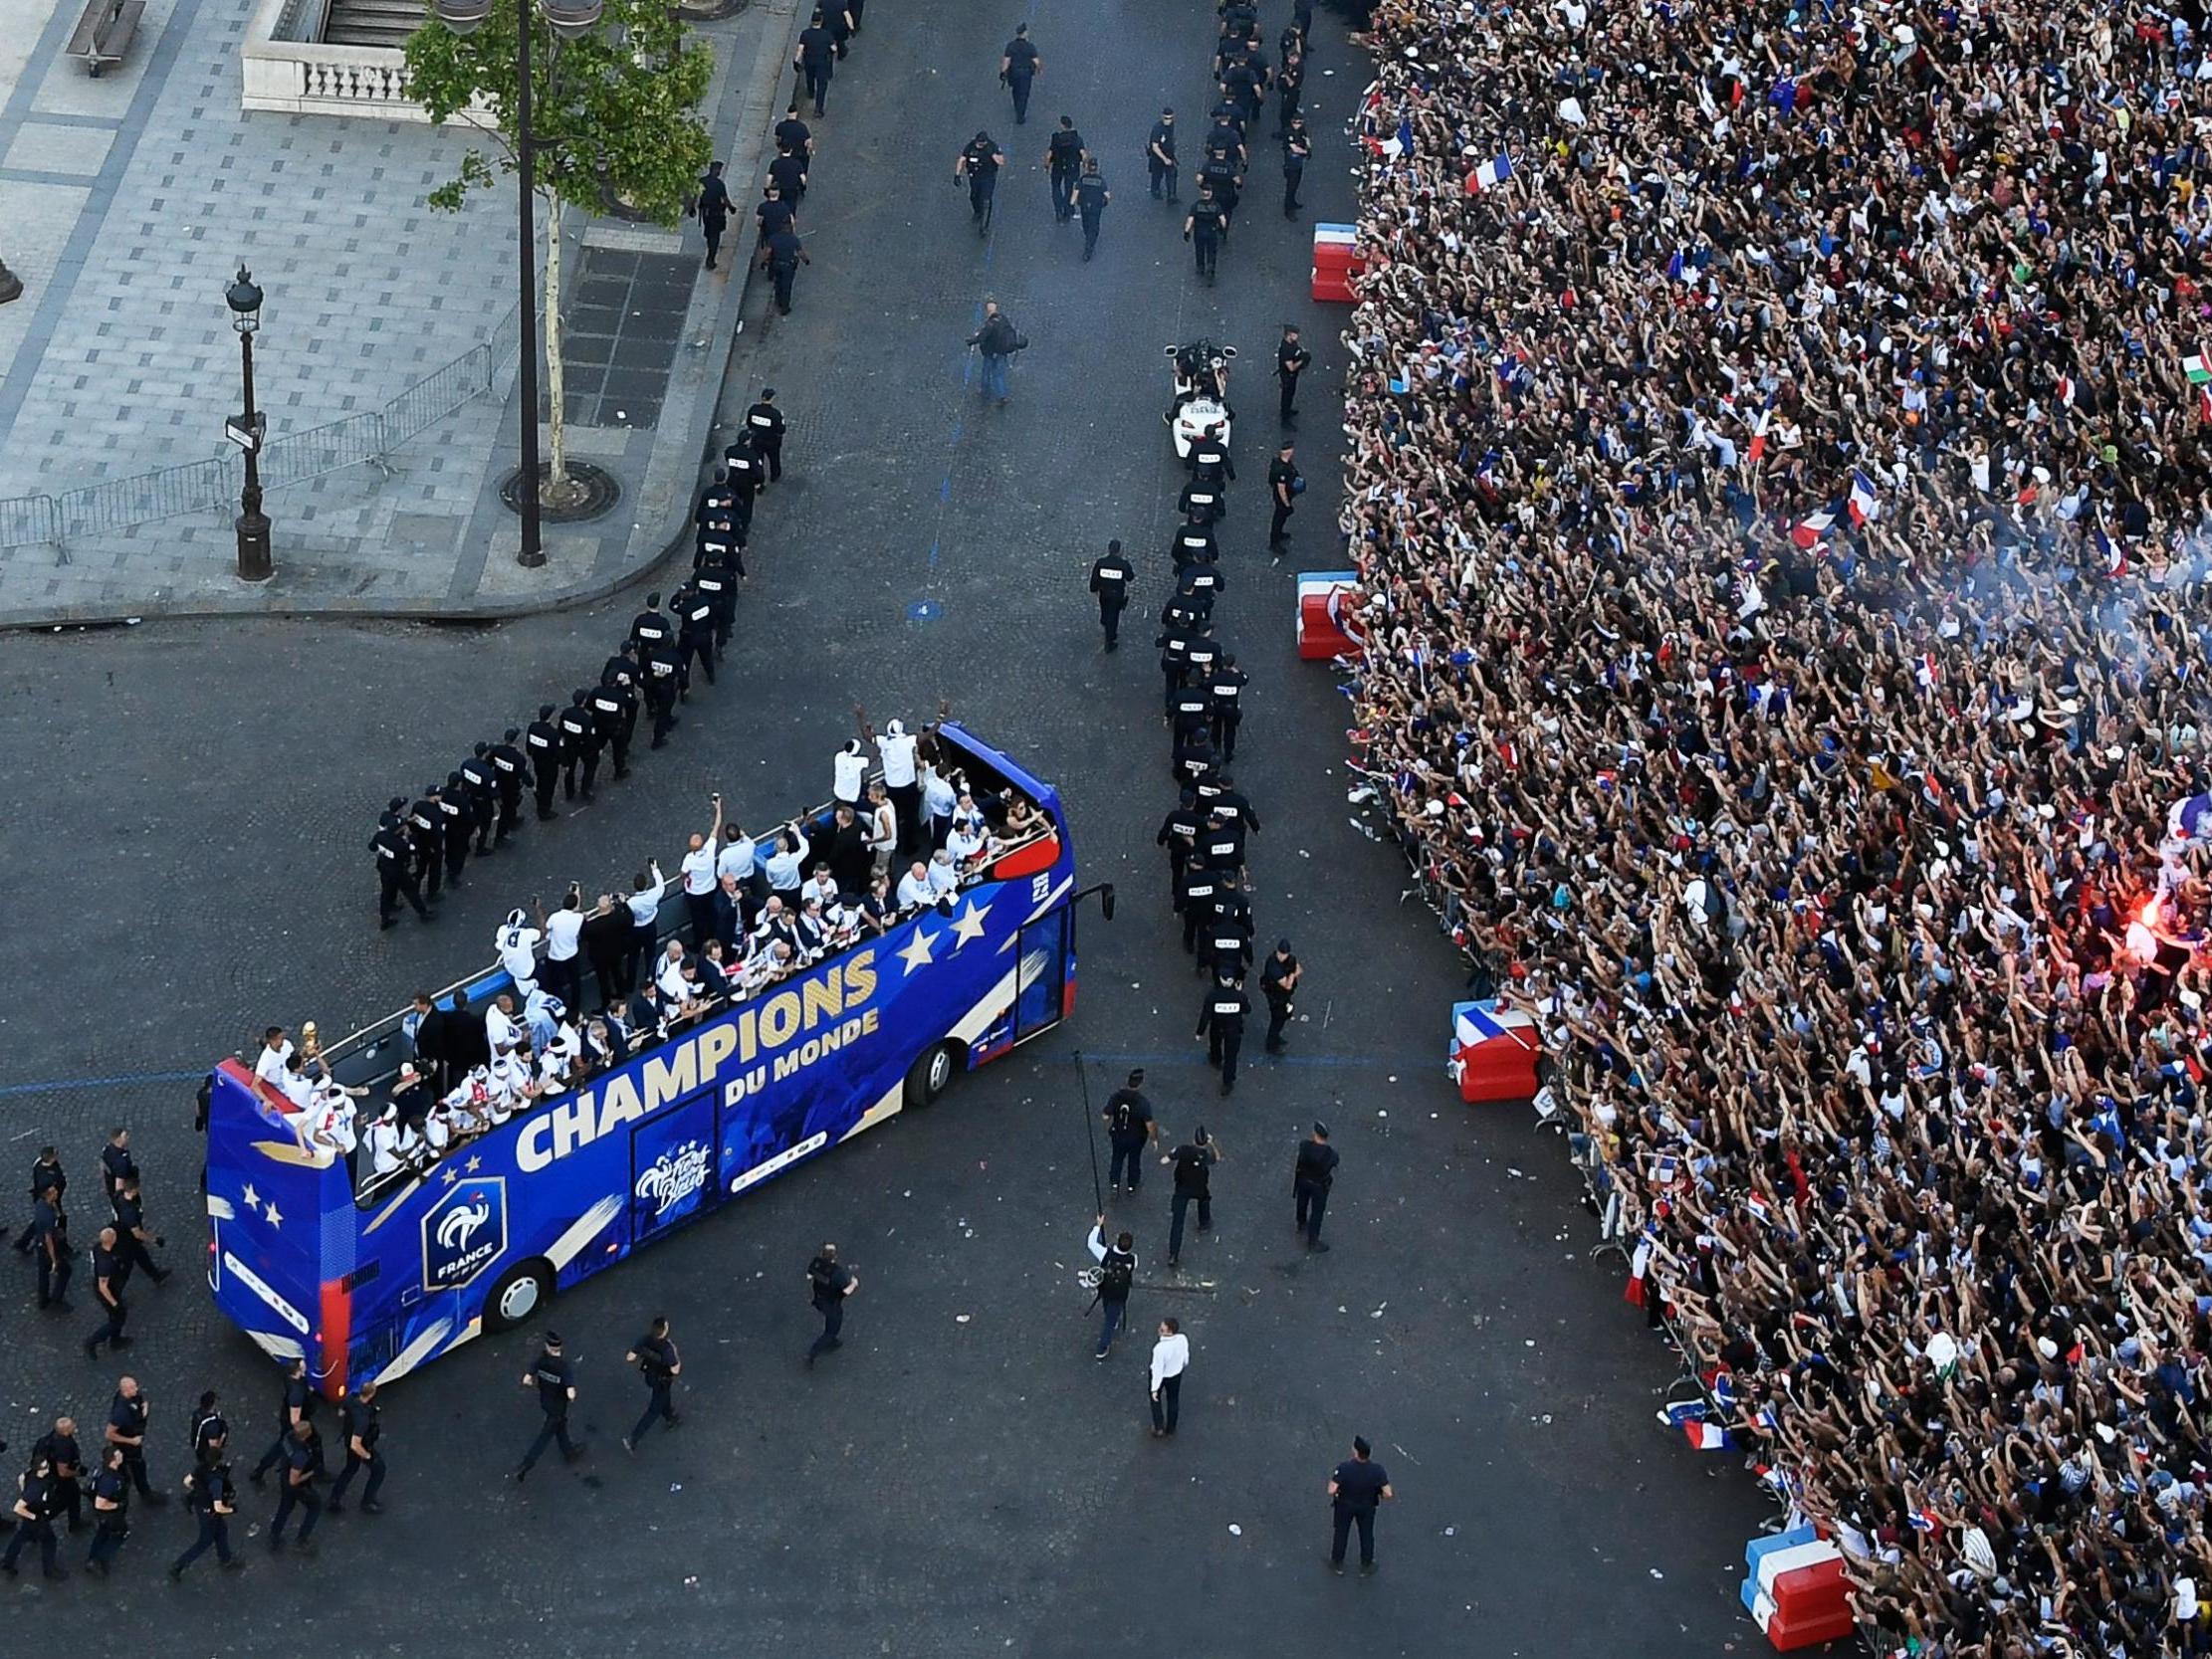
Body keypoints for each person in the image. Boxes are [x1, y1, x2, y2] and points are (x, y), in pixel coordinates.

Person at [514, 1332, 582, 1481]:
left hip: (545, 1401)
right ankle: (526, 1464)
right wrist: (571, 1396)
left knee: (560, 1426)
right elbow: (571, 1393)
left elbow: (526, 1380)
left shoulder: (541, 1361)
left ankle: (569, 1452)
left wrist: (538, 1384)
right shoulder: (563, 1367)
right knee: (544, 1437)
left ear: (547, 1346)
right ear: (560, 1347)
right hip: (558, 1406)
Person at [1327, 1437, 1393, 1572]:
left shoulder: (1344, 1468)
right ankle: (1366, 1563)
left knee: (1341, 1533)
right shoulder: (1377, 1470)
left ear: (1355, 1452)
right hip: (1367, 1507)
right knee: (1367, 1534)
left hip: (1345, 1506)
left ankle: (1337, 1563)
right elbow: (1388, 1493)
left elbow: (1331, 1490)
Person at [169, 1458, 242, 1578]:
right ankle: (179, 1565)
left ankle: (226, 1558)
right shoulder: (216, 1482)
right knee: (204, 1541)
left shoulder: (201, 1468)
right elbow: (218, 1507)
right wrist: (232, 1509)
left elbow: (187, 1481)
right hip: (210, 1513)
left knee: (221, 1531)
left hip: (202, 1506)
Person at [250, 1358, 316, 1486]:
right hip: (297, 1424)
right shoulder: (296, 1393)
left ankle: (261, 1469)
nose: (305, 1363)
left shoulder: (291, 1378)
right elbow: (294, 1419)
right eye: (302, 1364)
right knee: (281, 1447)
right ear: (298, 1370)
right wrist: (303, 1433)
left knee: (283, 1446)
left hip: (296, 1418)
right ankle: (261, 1469)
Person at [2, 1450, 65, 1580]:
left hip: (32, 1513)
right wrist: (35, 1517)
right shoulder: (36, 1488)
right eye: (45, 1467)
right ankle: (49, 1570)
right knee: (49, 1541)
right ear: (39, 1470)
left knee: (21, 1535)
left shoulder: (30, 1475)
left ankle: (8, 1561)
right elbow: (18, 1508)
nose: (48, 1468)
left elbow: (21, 1478)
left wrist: (23, 1490)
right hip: (37, 1517)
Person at [622, 1317, 683, 1452]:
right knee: (654, 1410)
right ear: (664, 1332)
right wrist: (676, 1356)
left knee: (664, 1397)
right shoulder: (667, 1348)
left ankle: (670, 1417)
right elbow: (675, 1370)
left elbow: (630, 1357)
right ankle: (633, 1439)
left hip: (650, 1376)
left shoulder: (645, 1339)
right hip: (663, 1380)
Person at [325, 1381, 384, 1515]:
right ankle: (367, 1502)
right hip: (362, 1445)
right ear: (372, 1394)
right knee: (379, 1469)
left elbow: (341, 1412)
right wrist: (368, 1456)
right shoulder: (363, 1419)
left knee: (350, 1468)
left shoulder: (351, 1399)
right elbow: (355, 1444)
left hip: (347, 1438)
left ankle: (334, 1498)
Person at [266, 1417, 324, 1555]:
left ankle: (275, 1533)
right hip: (297, 1486)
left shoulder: (289, 1438)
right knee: (315, 1507)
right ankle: (302, 1539)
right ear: (306, 1434)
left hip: (284, 1477)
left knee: (285, 1506)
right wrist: (312, 1473)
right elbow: (294, 1480)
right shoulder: (300, 1456)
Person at [1164, 1127, 1218, 1267]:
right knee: (1204, 1199)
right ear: (1205, 1142)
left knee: (1177, 1223)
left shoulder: (1183, 1150)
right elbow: (1217, 1157)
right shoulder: (1205, 1155)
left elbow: (1165, 1159)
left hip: (1182, 1188)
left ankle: (1173, 1254)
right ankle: (1204, 1223)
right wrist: (1212, 1144)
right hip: (1199, 1186)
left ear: (1193, 1140)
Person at [105, 1376, 161, 1506]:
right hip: (128, 1446)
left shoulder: (130, 1397)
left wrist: (143, 1412)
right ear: (126, 1390)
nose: (137, 1389)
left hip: (133, 1437)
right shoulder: (120, 1413)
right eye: (134, 1387)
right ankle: (143, 1494)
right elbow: (109, 1434)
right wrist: (131, 1441)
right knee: (137, 1467)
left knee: (129, 1468)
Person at [370, 811, 432, 928]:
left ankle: (385, 919)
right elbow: (412, 852)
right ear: (399, 831)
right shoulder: (400, 844)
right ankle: (423, 913)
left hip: (384, 868)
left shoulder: (380, 836)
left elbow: (372, 847)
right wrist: (409, 838)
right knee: (411, 891)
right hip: (398, 872)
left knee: (386, 893)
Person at [1085, 1216, 1135, 1359]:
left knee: (1108, 1306)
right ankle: (1103, 1345)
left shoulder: (1105, 1254)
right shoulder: (1132, 1259)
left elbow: (1091, 1243)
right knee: (1111, 1319)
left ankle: (1103, 1346)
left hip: (1105, 1288)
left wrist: (1098, 1226)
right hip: (1120, 1293)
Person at [1101, 1069, 1154, 1192]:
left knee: (1117, 1158)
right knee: (1134, 1160)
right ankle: (1131, 1185)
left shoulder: (1116, 1097)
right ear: (1140, 1084)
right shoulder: (1143, 1102)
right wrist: (1153, 1138)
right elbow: (1149, 1124)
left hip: (1119, 1135)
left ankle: (1114, 1183)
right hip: (1136, 1138)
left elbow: (1105, 1115)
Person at [1196, 973, 1246, 1096]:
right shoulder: (1239, 996)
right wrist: (1239, 993)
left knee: (1215, 1043)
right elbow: (1247, 1009)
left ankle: (1216, 1059)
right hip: (1233, 1029)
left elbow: (1205, 1015)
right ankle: (1227, 1082)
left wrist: (1200, 1032)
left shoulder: (1213, 995)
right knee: (1231, 1056)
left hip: (1217, 1026)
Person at [805, 1243, 856, 1364]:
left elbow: (809, 1276)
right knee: (832, 1329)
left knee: (829, 1321)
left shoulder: (816, 1263)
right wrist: (854, 1283)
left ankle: (831, 1340)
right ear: (835, 1257)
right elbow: (846, 1291)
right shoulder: (837, 1273)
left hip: (819, 1299)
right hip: (832, 1304)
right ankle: (813, 1352)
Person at [84, 1445, 129, 1577]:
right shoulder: (110, 1480)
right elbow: (100, 1503)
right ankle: (102, 1558)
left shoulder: (103, 1470)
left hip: (104, 1516)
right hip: (111, 1515)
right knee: (121, 1534)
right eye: (119, 1454)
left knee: (102, 1533)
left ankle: (91, 1558)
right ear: (113, 1459)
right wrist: (117, 1505)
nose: (121, 1455)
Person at [85, 1223, 128, 1357]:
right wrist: (114, 1303)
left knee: (115, 1317)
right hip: (107, 1293)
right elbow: (103, 1287)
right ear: (112, 1240)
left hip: (113, 1287)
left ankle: (116, 1339)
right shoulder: (106, 1263)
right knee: (119, 1317)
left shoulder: (99, 1248)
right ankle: (93, 1341)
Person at [966, 300, 1020, 405]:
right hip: (1002, 351)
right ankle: (1002, 395)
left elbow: (982, 337)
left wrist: (971, 341)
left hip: (990, 352)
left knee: (986, 371)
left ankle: (984, 391)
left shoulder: (990, 324)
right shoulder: (1003, 319)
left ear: (987, 311)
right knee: (999, 374)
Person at [1293, 1123, 1336, 1249]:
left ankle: (1301, 1222)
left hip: (1303, 1180)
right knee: (1317, 1212)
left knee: (1302, 1201)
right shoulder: (1330, 1154)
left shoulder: (1304, 1146)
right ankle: (1313, 1241)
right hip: (1319, 1185)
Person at [955, 131, 1005, 234]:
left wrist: (992, 154)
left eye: (981, 144)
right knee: (974, 196)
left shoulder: (992, 147)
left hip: (988, 177)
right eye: (978, 143)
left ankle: (984, 227)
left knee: (986, 200)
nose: (979, 146)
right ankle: (977, 211)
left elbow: (1001, 162)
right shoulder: (970, 146)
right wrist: (957, 174)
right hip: (974, 176)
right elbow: (962, 159)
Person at [1148, 1318, 1189, 1437]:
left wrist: (1154, 1388)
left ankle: (1158, 1426)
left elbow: (1158, 1369)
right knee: (1173, 1400)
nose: (1159, 1330)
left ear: (1169, 1331)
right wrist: (1182, 1364)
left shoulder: (1160, 1349)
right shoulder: (1182, 1339)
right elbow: (1185, 1356)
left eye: (1161, 1329)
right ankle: (1171, 1427)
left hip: (1163, 1376)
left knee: (1155, 1400)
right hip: (1176, 1374)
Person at [1088, 538, 1132, 648]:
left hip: (1104, 593)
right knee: (1113, 617)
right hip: (1117, 595)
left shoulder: (1101, 563)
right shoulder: (1123, 564)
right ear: (1120, 551)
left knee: (1105, 608)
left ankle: (1104, 621)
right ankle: (1110, 640)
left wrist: (1094, 589)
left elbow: (1094, 578)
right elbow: (1130, 577)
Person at [759, 225, 808, 315]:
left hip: (777, 264)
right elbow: (800, 253)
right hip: (788, 266)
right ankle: (785, 307)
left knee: (778, 282)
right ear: (790, 229)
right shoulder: (793, 239)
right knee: (786, 286)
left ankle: (778, 301)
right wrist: (806, 261)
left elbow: (768, 252)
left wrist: (764, 261)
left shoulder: (773, 238)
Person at [1260, 939, 1300, 1051]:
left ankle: (1275, 1037)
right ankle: (1271, 1045)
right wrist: (1292, 974)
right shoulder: (1273, 966)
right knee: (1277, 1020)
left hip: (1283, 995)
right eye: (1281, 954)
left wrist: (1291, 976)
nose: (1283, 957)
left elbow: (1299, 968)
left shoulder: (1290, 959)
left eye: (1285, 954)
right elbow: (1287, 985)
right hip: (1275, 996)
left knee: (1281, 1019)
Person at [792, 9, 832, 115]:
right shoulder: (826, 34)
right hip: (821, 63)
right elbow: (833, 48)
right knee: (821, 85)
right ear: (821, 21)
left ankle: (810, 92)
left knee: (809, 77)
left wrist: (796, 61)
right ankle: (818, 108)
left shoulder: (805, 34)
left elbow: (800, 49)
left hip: (809, 61)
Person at [1184, 184, 1226, 282]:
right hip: (1212, 231)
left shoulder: (1196, 205)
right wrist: (1222, 229)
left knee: (1199, 249)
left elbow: (1190, 219)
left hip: (1199, 232)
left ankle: (1200, 266)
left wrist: (1187, 232)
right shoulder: (1216, 206)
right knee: (1211, 250)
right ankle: (1210, 266)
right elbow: (1222, 219)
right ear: (1211, 193)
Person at [997, 23, 1039, 124]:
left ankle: (1017, 106)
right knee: (1024, 94)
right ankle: (1020, 115)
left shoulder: (1011, 46)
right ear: (1024, 33)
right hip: (1026, 74)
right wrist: (1039, 69)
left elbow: (1006, 61)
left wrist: (1003, 72)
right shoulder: (1030, 47)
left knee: (1016, 91)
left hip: (1014, 73)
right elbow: (1036, 61)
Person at [742, 386, 786, 482]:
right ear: (772, 398)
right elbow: (781, 430)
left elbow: (749, 424)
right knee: (774, 460)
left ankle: (759, 477)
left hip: (756, 440)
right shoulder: (775, 414)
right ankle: (774, 476)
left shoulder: (753, 409)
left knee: (758, 459)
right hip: (772, 442)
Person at [1045, 114, 1084, 221]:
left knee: (1056, 187)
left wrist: (1047, 165)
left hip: (1058, 166)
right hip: (1071, 167)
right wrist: (1084, 164)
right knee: (1069, 188)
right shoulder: (1077, 139)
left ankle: (1058, 210)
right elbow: (1083, 154)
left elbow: (1049, 154)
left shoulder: (1056, 138)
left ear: (1062, 125)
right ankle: (1067, 210)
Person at [1073, 157, 1109, 261]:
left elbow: (1076, 192)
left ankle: (1088, 235)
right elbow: (1107, 195)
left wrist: (1073, 203)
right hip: (1096, 207)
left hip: (1084, 206)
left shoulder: (1082, 179)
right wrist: (1106, 200)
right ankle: (1088, 249)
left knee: (1086, 223)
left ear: (1087, 167)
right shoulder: (1100, 180)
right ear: (1096, 168)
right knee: (1094, 227)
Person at [1267, 441, 1301, 549]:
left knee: (1281, 518)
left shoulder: (1282, 463)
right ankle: (1274, 543)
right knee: (1279, 518)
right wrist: (1287, 504)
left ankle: (1279, 534)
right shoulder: (1282, 469)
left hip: (1286, 494)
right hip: (1282, 498)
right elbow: (1281, 489)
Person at [1274, 323, 1309, 423]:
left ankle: (1288, 410)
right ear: (1289, 334)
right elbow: (1291, 367)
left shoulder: (1292, 343)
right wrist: (1302, 360)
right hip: (1287, 377)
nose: (1298, 336)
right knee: (1287, 395)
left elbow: (1298, 350)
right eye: (1296, 334)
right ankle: (1285, 418)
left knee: (1291, 394)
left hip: (1292, 376)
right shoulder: (1286, 349)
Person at [1146, 106, 1178, 200]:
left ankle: (1171, 195)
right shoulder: (1158, 129)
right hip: (1158, 158)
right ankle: (1155, 191)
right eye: (1166, 118)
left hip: (1168, 155)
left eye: (1170, 118)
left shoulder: (1171, 125)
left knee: (1171, 174)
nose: (1168, 121)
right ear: (1162, 117)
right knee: (1157, 175)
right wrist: (1165, 159)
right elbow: (1155, 146)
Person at [1281, 115, 1310, 217]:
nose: (1297, 125)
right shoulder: (1289, 132)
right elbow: (1294, 148)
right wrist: (1306, 152)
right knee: (1291, 186)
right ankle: (1288, 210)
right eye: (1295, 122)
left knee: (1296, 183)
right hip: (1291, 163)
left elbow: (1306, 140)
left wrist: (1308, 147)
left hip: (1298, 162)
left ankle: (1292, 202)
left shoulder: (1302, 131)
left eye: (1300, 122)